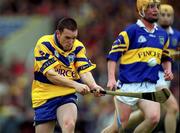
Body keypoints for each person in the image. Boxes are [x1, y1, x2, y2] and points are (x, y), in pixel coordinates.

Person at [101, 0, 174, 133]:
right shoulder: (131, 31)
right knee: (118, 127)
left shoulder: (162, 35)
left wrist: (167, 70)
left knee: (154, 118)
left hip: (149, 86)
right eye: (151, 7)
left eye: (157, 7)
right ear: (141, 10)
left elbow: (165, 56)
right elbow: (113, 56)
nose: (156, 10)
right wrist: (111, 78)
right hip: (128, 86)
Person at [31, 17, 104, 133]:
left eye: (74, 38)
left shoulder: (78, 47)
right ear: (58, 34)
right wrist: (76, 85)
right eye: (67, 38)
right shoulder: (44, 44)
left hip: (66, 95)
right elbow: (51, 75)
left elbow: (84, 70)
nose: (71, 42)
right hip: (44, 96)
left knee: (69, 124)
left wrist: (93, 85)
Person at [156, 4, 180, 133]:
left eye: (168, 15)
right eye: (162, 15)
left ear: (173, 17)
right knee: (173, 108)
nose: (165, 18)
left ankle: (117, 127)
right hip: (155, 77)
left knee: (151, 115)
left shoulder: (177, 35)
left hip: (166, 79)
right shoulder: (153, 33)